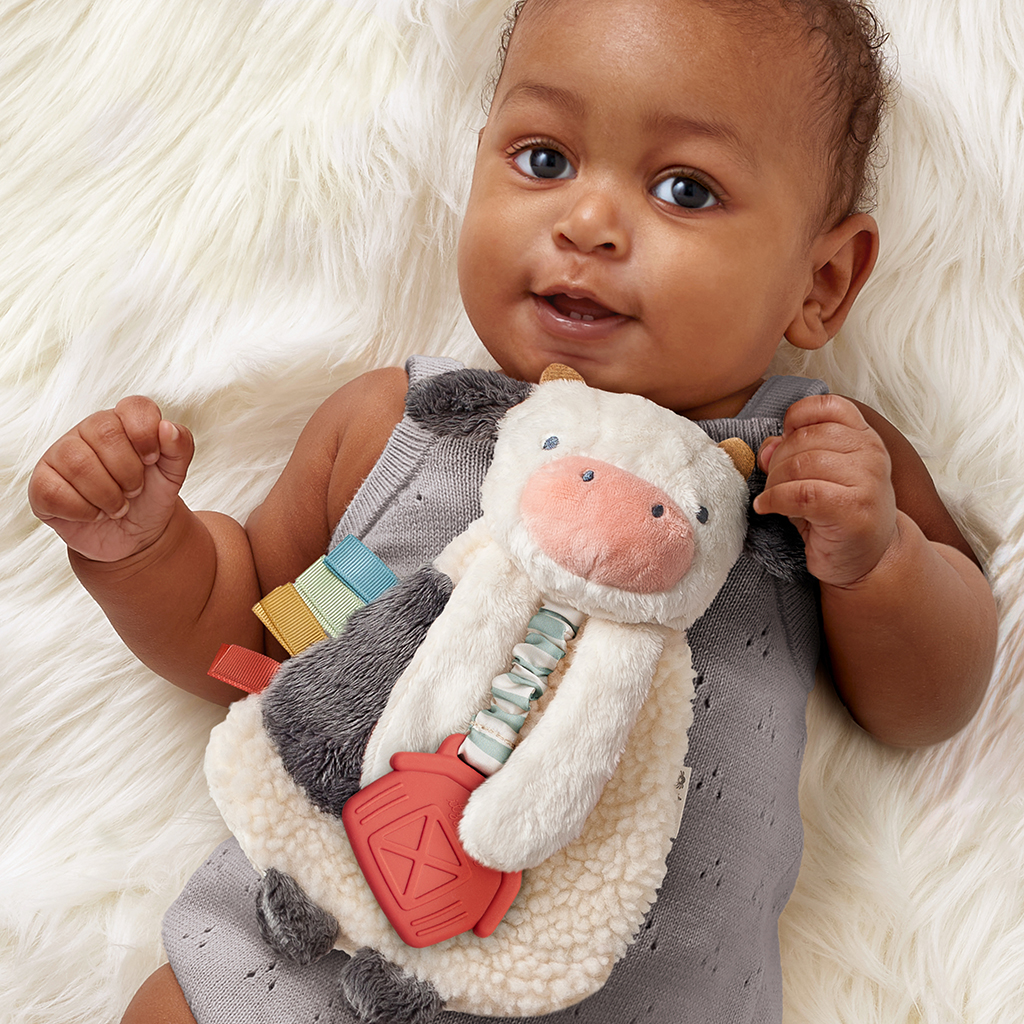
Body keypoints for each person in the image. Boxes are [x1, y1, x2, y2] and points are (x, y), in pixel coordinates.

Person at [27, 0, 997, 1021]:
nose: (585, 223)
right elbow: (251, 633)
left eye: (684, 189)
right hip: (309, 959)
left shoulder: (805, 462)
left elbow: (931, 700)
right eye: (543, 160)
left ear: (822, 279)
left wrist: (877, 558)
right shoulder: (402, 429)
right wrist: (142, 547)